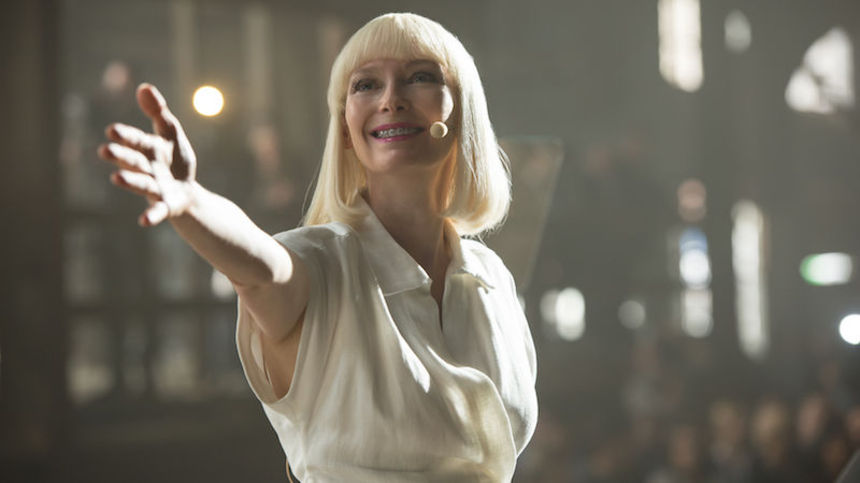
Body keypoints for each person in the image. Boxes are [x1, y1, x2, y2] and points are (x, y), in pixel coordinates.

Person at [98, 12, 537, 482]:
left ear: (463, 110)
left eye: (420, 77)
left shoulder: (492, 276)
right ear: (345, 127)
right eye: (366, 85)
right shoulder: (322, 263)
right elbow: (261, 270)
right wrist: (192, 202)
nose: (390, 99)